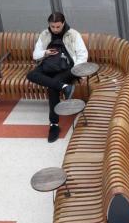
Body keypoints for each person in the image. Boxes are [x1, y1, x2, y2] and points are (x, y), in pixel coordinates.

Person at [27, 12, 88, 143]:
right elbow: (35, 55)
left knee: (52, 87)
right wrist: (45, 52)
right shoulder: (44, 34)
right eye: (52, 26)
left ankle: (53, 125)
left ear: (64, 23)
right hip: (48, 66)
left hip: (67, 69)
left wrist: (79, 73)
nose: (55, 29)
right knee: (31, 74)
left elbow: (82, 54)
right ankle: (64, 87)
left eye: (58, 27)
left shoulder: (73, 34)